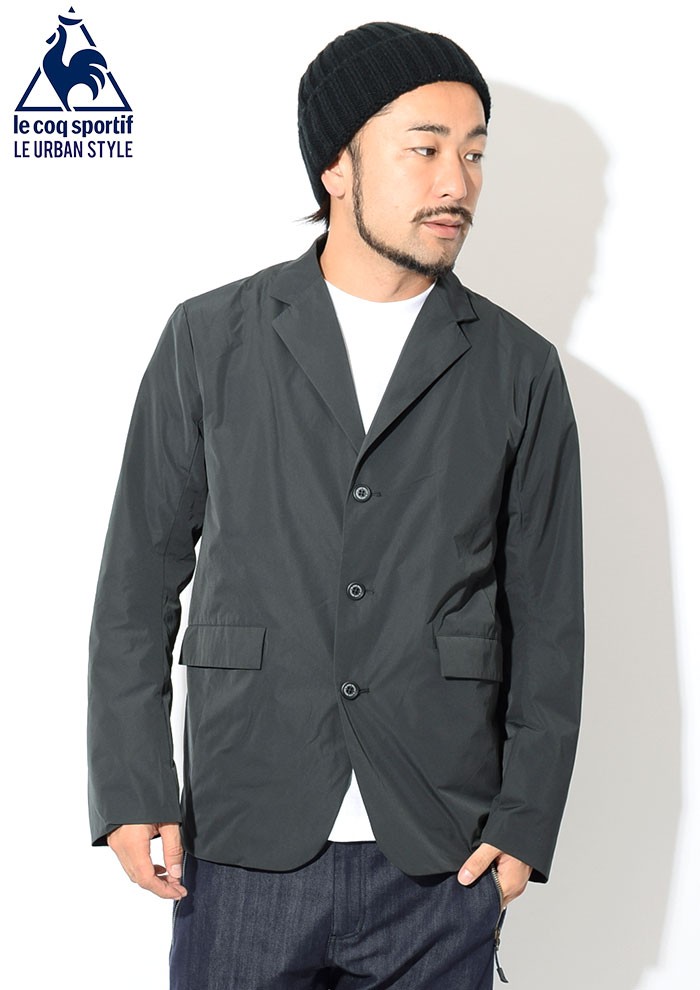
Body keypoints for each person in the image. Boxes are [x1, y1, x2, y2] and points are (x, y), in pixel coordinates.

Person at [87, 21, 584, 990]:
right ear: (337, 167)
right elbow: (136, 584)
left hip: (440, 850)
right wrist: (133, 785)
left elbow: (550, 621)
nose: (457, 183)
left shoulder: (519, 370)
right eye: (424, 149)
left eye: (474, 153)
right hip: (243, 829)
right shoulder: (209, 339)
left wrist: (525, 823)